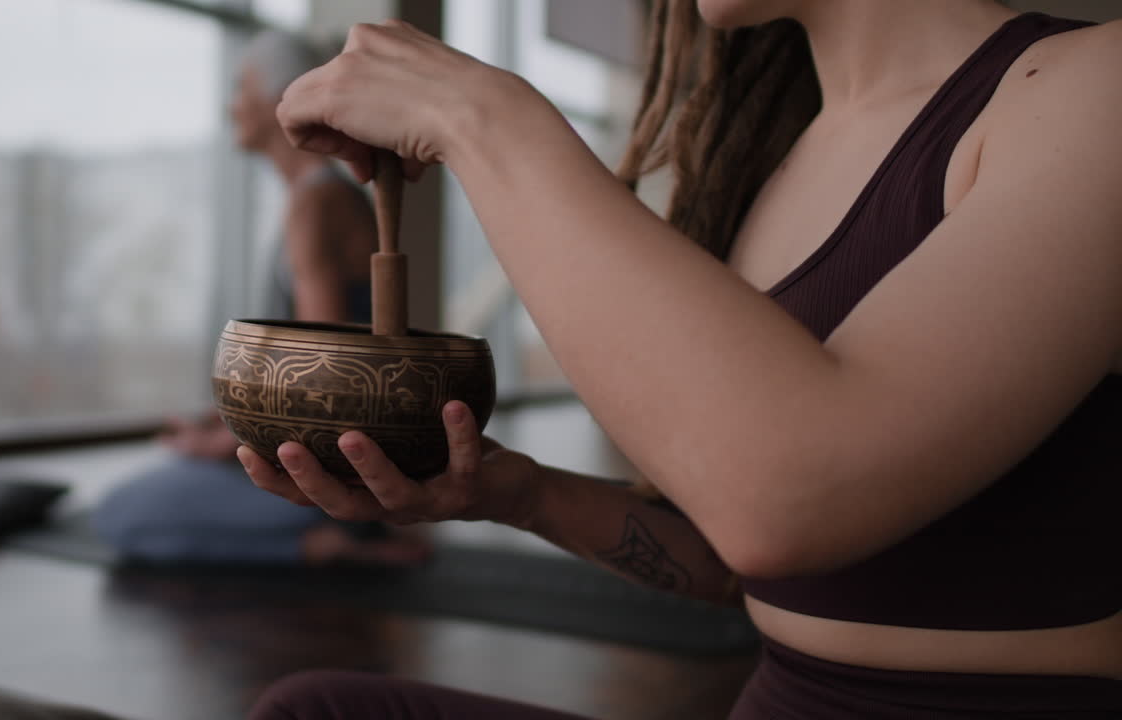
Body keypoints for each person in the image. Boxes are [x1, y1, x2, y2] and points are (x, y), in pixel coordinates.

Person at [236, 1, 1122, 717]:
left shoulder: (1094, 85)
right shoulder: (781, 157)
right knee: (316, 707)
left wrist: (480, 116)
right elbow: (744, 564)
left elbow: (787, 503)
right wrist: (517, 492)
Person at [94, 28, 427, 568]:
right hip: (333, 465)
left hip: (324, 482)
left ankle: (328, 543)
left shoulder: (315, 205)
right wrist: (223, 423)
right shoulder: (323, 196)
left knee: (120, 513)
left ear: (280, 99)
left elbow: (321, 382)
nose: (231, 106)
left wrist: (220, 446)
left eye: (240, 88)